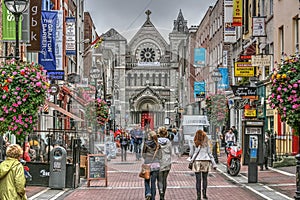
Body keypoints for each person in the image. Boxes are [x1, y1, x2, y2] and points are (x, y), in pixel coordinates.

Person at [190, 130, 217, 200]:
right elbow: (210, 154)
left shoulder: (194, 143)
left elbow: (191, 154)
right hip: (206, 161)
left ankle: (198, 196)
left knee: (198, 180)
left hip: (197, 162)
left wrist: (191, 160)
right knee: (205, 179)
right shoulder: (206, 143)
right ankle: (204, 194)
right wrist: (214, 164)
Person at [142, 130, 161, 200]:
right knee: (153, 183)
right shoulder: (158, 144)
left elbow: (143, 154)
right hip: (156, 164)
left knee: (146, 180)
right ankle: (153, 198)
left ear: (149, 136)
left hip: (147, 163)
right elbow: (160, 155)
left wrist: (146, 158)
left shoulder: (146, 143)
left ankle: (148, 192)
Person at [157, 127, 172, 200]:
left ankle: (161, 193)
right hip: (167, 161)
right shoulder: (168, 142)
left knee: (159, 180)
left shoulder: (156, 141)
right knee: (164, 179)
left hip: (159, 161)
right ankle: (163, 195)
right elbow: (171, 151)